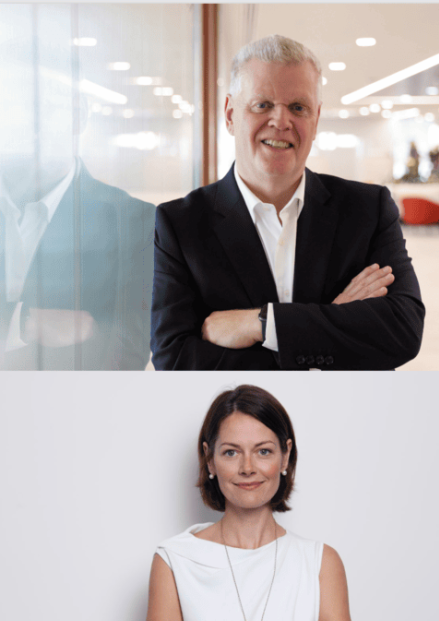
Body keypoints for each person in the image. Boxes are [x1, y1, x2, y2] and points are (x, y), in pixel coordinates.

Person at [151, 35, 424, 370]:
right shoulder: (180, 224)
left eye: (298, 107)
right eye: (262, 104)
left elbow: (403, 330)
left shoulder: (368, 209)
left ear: (316, 118)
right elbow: (175, 359)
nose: (281, 122)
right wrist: (333, 321)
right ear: (230, 114)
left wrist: (263, 324)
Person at [140, 385, 360, 621]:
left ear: (286, 457)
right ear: (209, 459)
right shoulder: (174, 560)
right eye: (230, 452)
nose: (247, 468)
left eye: (263, 451)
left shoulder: (320, 562)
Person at [1, 6, 154, 370]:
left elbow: (128, 350)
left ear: (79, 114)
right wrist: (27, 322)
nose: (31, 122)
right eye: (18, 105)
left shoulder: (133, 222)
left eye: (47, 104)